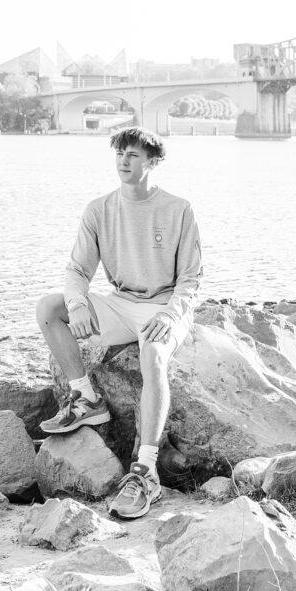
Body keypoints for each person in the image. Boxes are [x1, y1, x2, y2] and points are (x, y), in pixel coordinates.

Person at [36, 126, 202, 519]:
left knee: (154, 357)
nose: (124, 161)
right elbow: (77, 269)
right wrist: (77, 304)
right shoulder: (99, 209)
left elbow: (191, 280)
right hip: (121, 303)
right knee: (49, 308)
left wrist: (170, 313)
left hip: (164, 307)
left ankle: (145, 469)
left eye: (133, 155)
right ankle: (86, 398)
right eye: (119, 154)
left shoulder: (179, 209)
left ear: (153, 161)